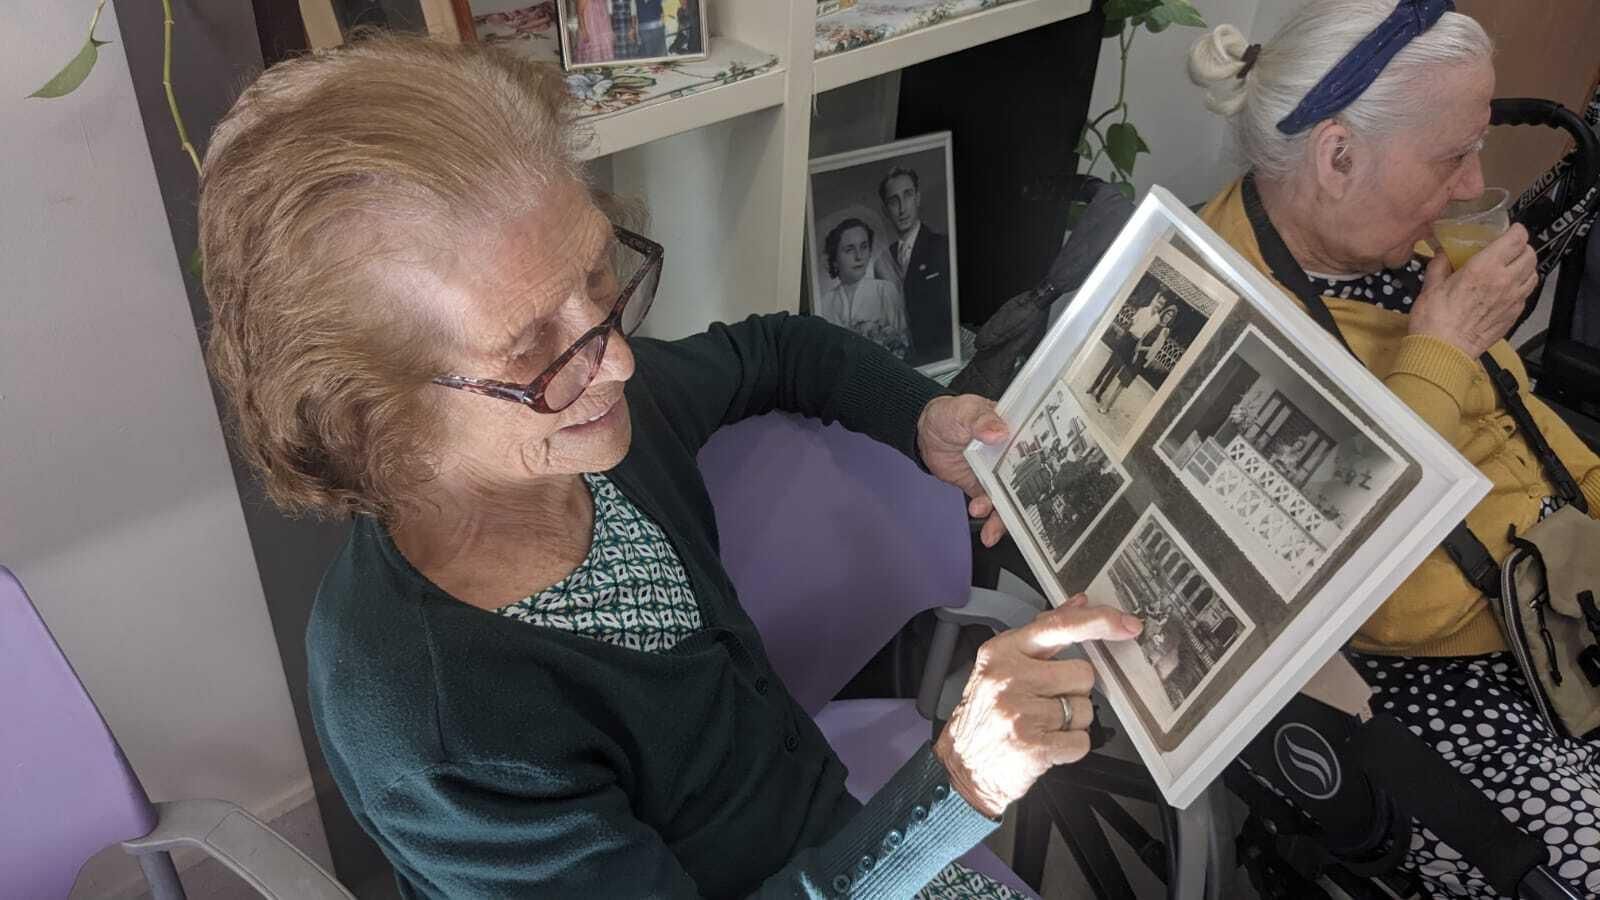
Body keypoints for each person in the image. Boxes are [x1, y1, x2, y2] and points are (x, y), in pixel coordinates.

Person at [198, 36, 1145, 899]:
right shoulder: (434, 715)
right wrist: (959, 784)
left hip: (843, 836)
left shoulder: (594, 426)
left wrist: (922, 417)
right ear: (376, 419)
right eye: (534, 347)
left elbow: (778, 349)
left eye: (600, 277)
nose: (616, 362)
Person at [1188, 1, 1600, 895]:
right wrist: (1441, 352)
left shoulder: (1396, 239)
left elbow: (1516, 414)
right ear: (1338, 157)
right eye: (1453, 156)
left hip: (1546, 594)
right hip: (1420, 672)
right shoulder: (1225, 324)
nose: (1474, 184)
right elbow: (1380, 595)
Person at [880, 166, 954, 367]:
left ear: (918, 198)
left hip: (939, 359)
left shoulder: (943, 246)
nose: (902, 208)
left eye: (908, 195)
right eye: (893, 201)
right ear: (885, 210)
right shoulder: (883, 259)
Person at [817, 218, 912, 359]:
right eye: (849, 250)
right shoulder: (825, 303)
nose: (859, 256)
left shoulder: (885, 291)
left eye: (864, 247)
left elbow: (903, 343)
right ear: (835, 259)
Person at [1088, 295, 1173, 414]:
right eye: (1159, 302)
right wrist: (1122, 337)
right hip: (1127, 339)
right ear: (1155, 301)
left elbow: (1148, 336)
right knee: (1109, 364)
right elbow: (1131, 322)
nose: (1159, 305)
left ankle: (1100, 392)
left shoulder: (1156, 320)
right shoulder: (1144, 310)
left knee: (1115, 370)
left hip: (1134, 345)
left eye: (1162, 305)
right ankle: (1093, 387)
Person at [572, 0, 614, 65]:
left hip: (603, 28)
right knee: (591, 55)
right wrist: (584, 31)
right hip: (591, 29)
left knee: (605, 55)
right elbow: (579, 13)